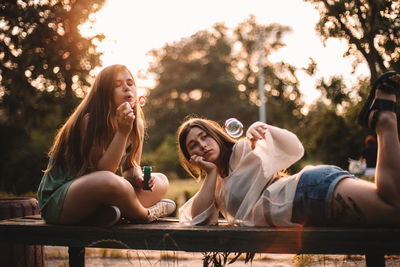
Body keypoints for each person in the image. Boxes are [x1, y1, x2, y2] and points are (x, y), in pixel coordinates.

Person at [177, 71, 400, 227]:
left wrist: (262, 129)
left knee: (394, 209)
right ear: (191, 158)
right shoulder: (214, 187)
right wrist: (211, 172)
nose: (202, 145)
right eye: (193, 146)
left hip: (306, 191)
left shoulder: (243, 150)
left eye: (205, 137)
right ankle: (384, 118)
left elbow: (294, 148)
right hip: (306, 209)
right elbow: (198, 219)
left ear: (216, 136)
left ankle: (385, 121)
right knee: (392, 204)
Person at [37, 64, 176, 227]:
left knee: (161, 180)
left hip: (97, 199)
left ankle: (107, 214)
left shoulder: (136, 124)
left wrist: (138, 177)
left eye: (130, 83)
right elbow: (104, 172)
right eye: (117, 85)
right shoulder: (90, 121)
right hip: (59, 201)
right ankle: (146, 214)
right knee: (109, 180)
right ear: (104, 93)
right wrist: (122, 133)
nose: (126, 88)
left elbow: (130, 167)